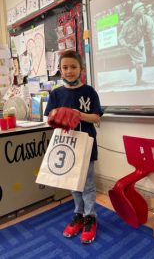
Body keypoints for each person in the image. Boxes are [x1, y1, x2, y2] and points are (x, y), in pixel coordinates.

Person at [44, 50, 103, 244]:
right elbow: (48, 119)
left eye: (73, 67)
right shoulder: (56, 93)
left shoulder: (89, 92)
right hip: (66, 145)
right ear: (60, 70)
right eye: (65, 67)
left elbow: (97, 117)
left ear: (81, 70)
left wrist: (79, 115)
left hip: (85, 144)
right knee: (72, 183)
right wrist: (57, 116)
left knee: (87, 184)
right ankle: (78, 214)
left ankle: (90, 217)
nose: (69, 71)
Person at [118, 2, 154, 85]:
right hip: (130, 44)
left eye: (143, 8)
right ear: (135, 12)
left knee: (143, 60)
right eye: (140, 9)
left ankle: (132, 63)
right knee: (140, 62)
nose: (143, 10)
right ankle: (139, 81)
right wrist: (126, 44)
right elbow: (120, 37)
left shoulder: (147, 19)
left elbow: (152, 33)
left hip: (140, 41)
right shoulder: (127, 24)